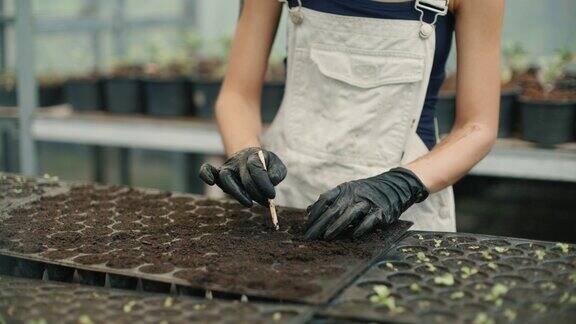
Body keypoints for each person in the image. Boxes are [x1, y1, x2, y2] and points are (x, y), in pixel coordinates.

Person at [199, 0, 504, 240]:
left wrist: (398, 186)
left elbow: (477, 126)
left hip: (403, 215)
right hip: (290, 204)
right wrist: (245, 155)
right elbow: (237, 96)